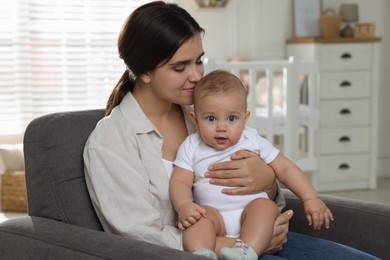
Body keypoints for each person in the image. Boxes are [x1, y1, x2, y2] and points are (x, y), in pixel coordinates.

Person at [83, 1, 378, 259]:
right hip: (209, 250)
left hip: (258, 239)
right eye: (180, 67)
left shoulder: (205, 116)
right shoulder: (109, 144)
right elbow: (138, 237)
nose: (198, 75)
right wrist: (240, 244)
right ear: (145, 71)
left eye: (199, 60)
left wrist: (268, 181)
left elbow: (259, 185)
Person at [169, 70, 333, 259]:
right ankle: (201, 253)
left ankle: (245, 252)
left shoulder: (252, 140)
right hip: (215, 217)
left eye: (231, 118)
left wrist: (310, 198)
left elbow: (285, 168)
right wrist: (184, 205)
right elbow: (180, 180)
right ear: (196, 120)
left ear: (245, 119)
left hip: (250, 212)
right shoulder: (191, 145)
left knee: (265, 207)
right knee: (197, 220)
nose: (221, 127)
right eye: (211, 119)